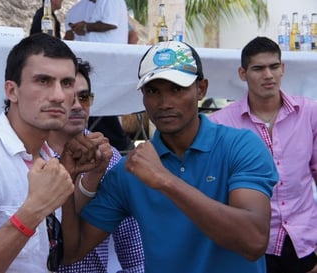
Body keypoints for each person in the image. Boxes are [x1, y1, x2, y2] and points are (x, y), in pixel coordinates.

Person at [60, 40, 279, 273]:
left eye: (177, 89)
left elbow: (254, 241)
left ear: (201, 89)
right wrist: (66, 179)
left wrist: (165, 180)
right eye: (153, 91)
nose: (165, 103)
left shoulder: (240, 146)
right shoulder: (131, 170)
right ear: (143, 95)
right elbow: (71, 252)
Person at [0, 59, 145, 273]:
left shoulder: (108, 158)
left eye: (84, 96)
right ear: (13, 92)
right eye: (47, 85)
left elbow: (131, 253)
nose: (75, 104)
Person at [209, 36, 317, 273]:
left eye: (274, 66)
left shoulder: (309, 112)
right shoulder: (220, 123)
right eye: (258, 68)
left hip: (305, 241)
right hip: (251, 246)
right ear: (242, 73)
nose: (268, 75)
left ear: (283, 68)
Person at [64, 0, 133, 152]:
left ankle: (117, 143)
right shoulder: (76, 9)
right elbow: (67, 37)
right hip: (83, 67)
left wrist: (86, 26)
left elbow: (111, 23)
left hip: (109, 67)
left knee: (101, 104)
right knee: (90, 103)